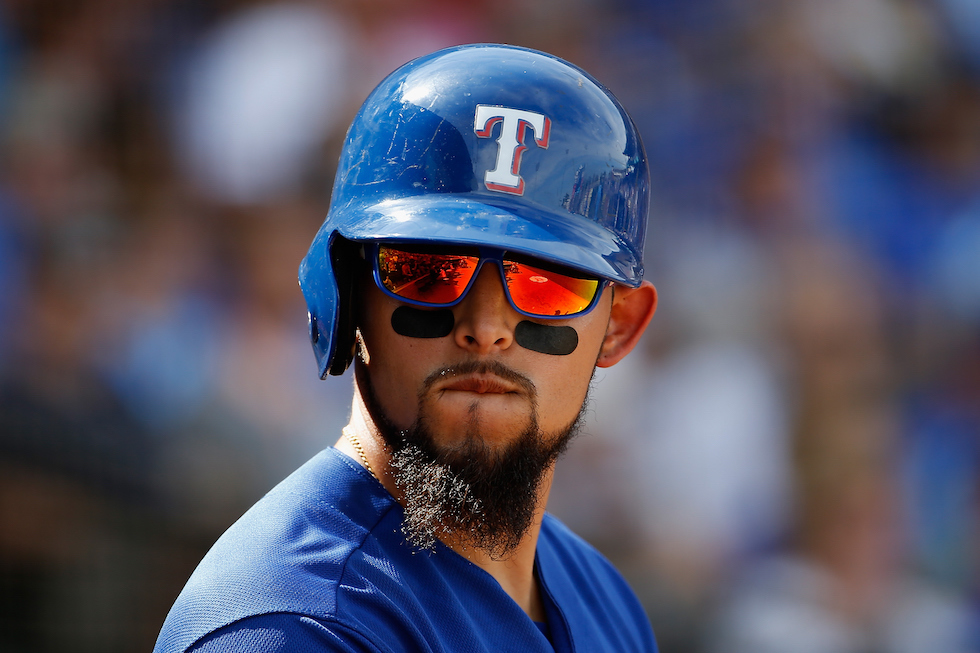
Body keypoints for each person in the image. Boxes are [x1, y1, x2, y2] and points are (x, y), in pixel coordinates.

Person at [154, 43, 659, 653]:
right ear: (346, 297)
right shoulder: (290, 627)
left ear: (618, 326)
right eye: (428, 270)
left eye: (547, 282)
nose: (486, 328)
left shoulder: (603, 597)